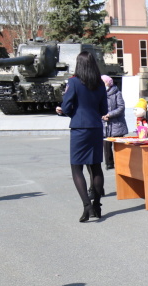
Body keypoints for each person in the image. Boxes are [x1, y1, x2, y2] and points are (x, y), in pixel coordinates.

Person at [56, 51, 108, 222]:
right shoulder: (100, 84)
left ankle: (87, 206)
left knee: (76, 167)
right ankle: (97, 205)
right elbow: (104, 110)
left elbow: (67, 105)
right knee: (95, 167)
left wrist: (62, 110)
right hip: (95, 127)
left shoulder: (73, 82)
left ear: (79, 64)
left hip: (79, 128)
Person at [101, 75, 128, 170]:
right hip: (105, 124)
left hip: (117, 124)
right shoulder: (100, 93)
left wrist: (109, 114)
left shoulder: (117, 93)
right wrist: (102, 115)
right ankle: (109, 163)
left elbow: (121, 107)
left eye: (103, 82)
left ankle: (122, 163)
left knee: (119, 146)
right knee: (106, 145)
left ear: (108, 83)